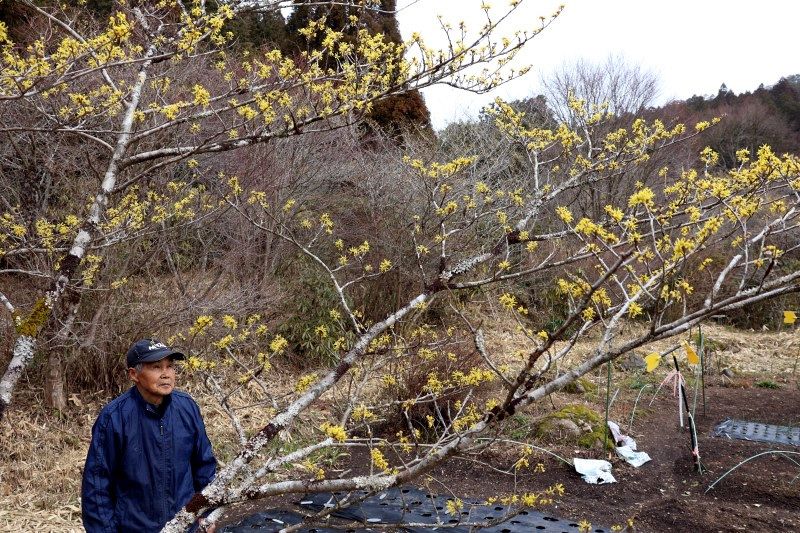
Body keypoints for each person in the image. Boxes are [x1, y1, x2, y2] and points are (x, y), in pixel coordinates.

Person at [82, 339, 217, 533]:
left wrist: (206, 516)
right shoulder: (114, 418)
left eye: (170, 366)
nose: (166, 374)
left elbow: (204, 467)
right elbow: (97, 488)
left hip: (186, 526)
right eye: (156, 367)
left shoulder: (186, 407)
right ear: (134, 374)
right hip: (135, 528)